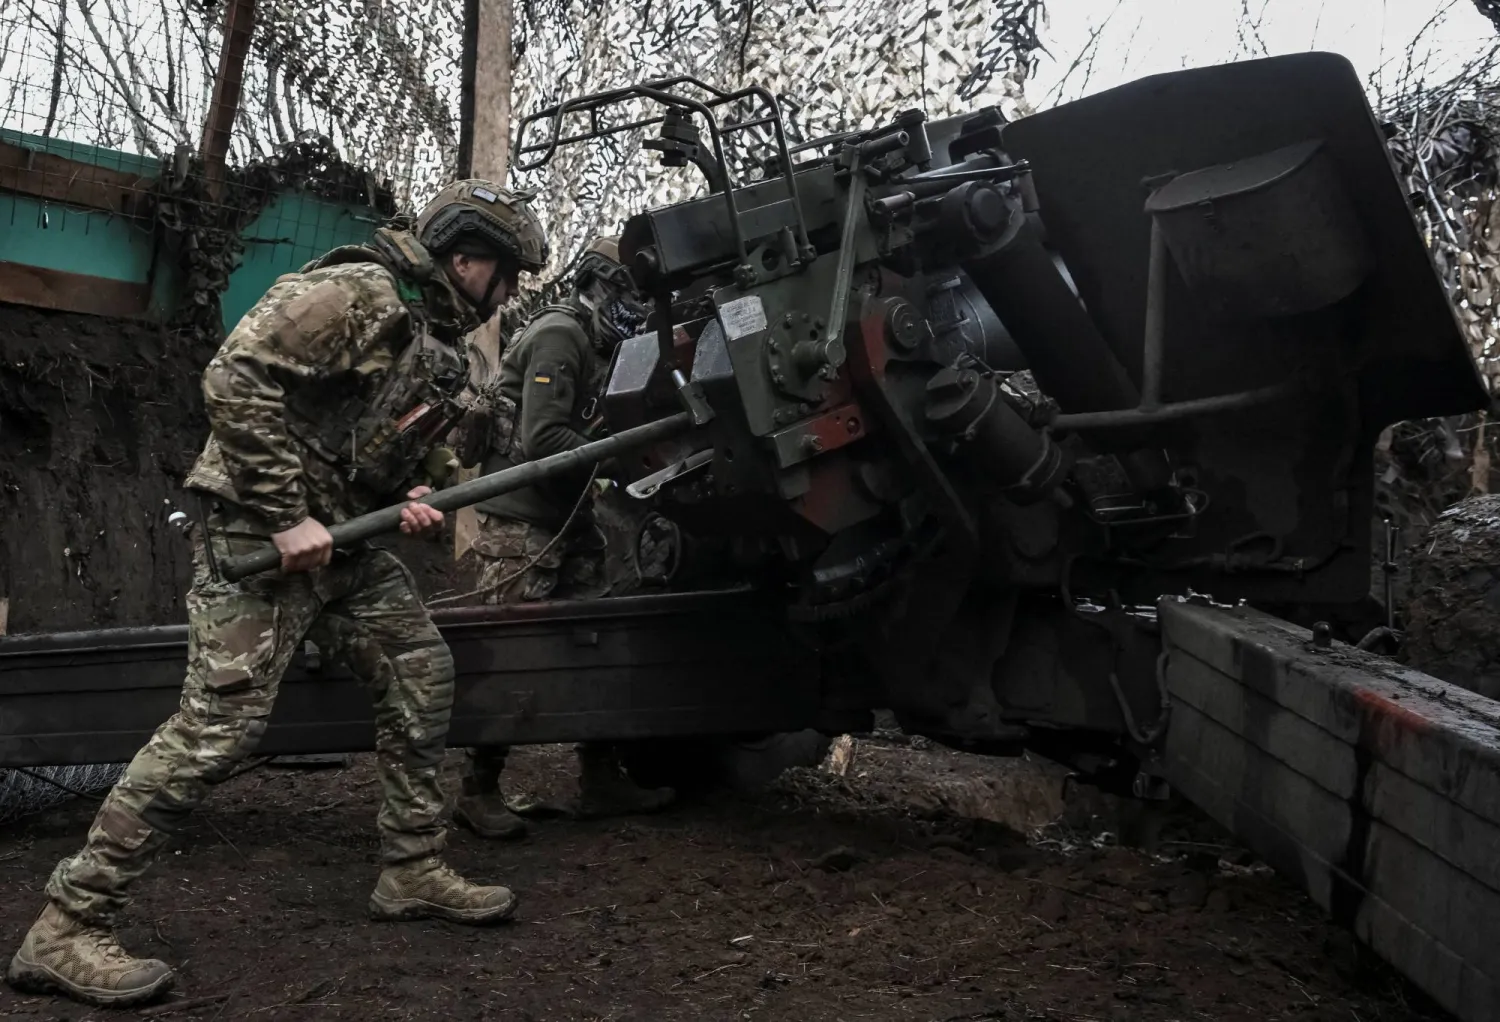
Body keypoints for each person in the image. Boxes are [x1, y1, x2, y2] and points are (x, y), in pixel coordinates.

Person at [5, 179, 549, 1009]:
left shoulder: (432, 339)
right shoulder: (355, 291)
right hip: (261, 535)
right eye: (508, 276)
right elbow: (234, 378)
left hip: (344, 540)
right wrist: (288, 515)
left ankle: (411, 868)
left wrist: (415, 491)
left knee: (419, 669)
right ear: (468, 260)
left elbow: (384, 436)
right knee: (216, 732)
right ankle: (67, 925)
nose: (508, 296)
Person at [454, 236, 675, 840]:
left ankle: (600, 777)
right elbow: (543, 440)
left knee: (593, 640)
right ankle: (478, 789)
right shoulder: (561, 335)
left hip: (569, 518)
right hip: (522, 521)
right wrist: (621, 460)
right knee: (510, 654)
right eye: (630, 297)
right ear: (603, 290)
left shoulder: (603, 345)